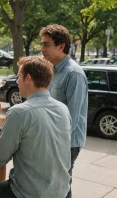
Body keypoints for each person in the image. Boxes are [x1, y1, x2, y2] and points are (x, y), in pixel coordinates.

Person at [0, 56, 72, 198]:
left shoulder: (19, 112)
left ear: (28, 78)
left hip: (28, 193)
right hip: (60, 192)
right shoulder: (63, 109)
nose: (16, 81)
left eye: (18, 76)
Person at [40, 24, 88, 198]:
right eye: (42, 44)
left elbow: (72, 119)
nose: (42, 48)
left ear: (61, 46)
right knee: (53, 186)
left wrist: (55, 144)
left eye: (46, 44)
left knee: (61, 187)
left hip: (66, 143)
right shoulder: (52, 70)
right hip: (52, 138)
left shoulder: (73, 73)